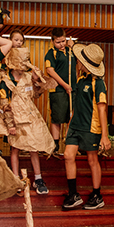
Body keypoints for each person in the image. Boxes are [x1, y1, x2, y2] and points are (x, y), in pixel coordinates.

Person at [0, 31, 54, 195]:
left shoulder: (29, 76)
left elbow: (36, 95)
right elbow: (4, 103)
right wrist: (10, 124)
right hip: (15, 118)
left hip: (30, 116)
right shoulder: (6, 80)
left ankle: (38, 178)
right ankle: (16, 179)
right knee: (15, 148)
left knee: (33, 147)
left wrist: (38, 82)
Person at [61, 43, 110, 210]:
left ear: (84, 63)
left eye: (79, 60)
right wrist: (70, 124)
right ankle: (73, 194)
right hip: (75, 126)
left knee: (92, 159)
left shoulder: (98, 83)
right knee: (68, 155)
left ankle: (97, 195)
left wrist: (105, 135)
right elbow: (76, 105)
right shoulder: (80, 79)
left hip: (90, 127)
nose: (77, 62)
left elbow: (102, 109)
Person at [44, 28, 75, 156]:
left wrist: (74, 47)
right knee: (57, 118)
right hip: (58, 90)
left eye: (63, 41)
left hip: (72, 89)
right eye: (58, 42)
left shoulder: (70, 51)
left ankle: (70, 142)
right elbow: (50, 71)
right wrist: (64, 85)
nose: (62, 44)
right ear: (52, 41)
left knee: (71, 117)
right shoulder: (51, 53)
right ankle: (55, 144)